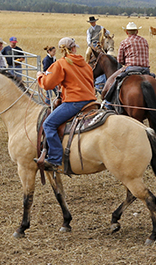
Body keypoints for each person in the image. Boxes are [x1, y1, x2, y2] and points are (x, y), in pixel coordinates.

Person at [35, 37, 97, 173]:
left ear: (61, 49)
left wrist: (40, 76)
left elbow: (47, 84)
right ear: (74, 48)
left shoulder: (61, 64)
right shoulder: (85, 64)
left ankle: (55, 159)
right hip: (91, 101)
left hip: (74, 102)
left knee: (48, 124)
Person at [86, 17, 107, 93]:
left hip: (99, 43)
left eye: (93, 22)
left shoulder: (100, 27)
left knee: (105, 52)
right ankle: (87, 63)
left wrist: (105, 32)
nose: (93, 23)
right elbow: (88, 38)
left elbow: (107, 32)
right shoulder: (89, 30)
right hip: (92, 44)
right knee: (87, 53)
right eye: (91, 22)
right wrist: (89, 44)